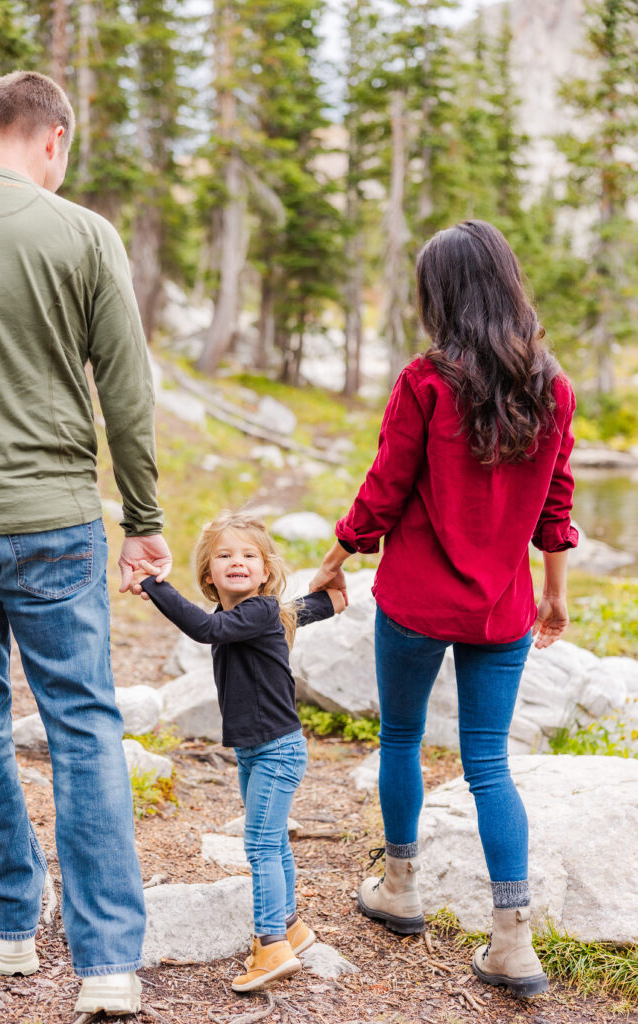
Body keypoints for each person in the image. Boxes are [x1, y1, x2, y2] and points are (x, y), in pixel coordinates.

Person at [309, 221, 578, 998]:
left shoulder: (427, 380)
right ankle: (512, 942)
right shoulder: (552, 386)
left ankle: (400, 890)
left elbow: (384, 487)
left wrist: (337, 556)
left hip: (417, 602)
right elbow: (554, 506)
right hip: (501, 609)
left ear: (443, 295)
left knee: (400, 736)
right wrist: (553, 597)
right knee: (488, 765)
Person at [0, 71, 172, 1015]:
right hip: (52, 518)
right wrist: (146, 519)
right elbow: (126, 390)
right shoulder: (84, 234)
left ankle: (6, 931)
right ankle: (107, 966)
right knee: (84, 729)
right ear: (54, 138)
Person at [131, 510, 345, 992]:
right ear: (209, 574)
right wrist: (333, 599)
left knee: (262, 845)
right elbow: (303, 610)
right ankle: (290, 925)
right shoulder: (251, 615)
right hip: (255, 751)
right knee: (272, 842)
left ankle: (270, 945)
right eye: (225, 555)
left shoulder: (257, 611)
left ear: (265, 570)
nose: (238, 562)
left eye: (249, 555)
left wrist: (154, 586)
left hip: (277, 751)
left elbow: (206, 630)